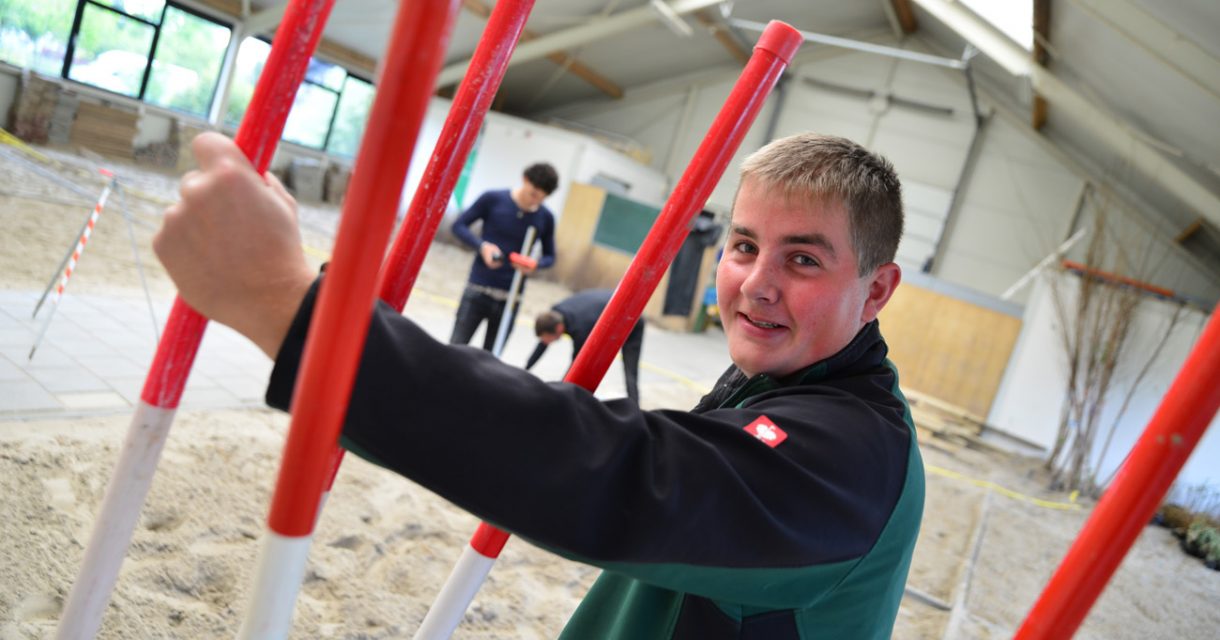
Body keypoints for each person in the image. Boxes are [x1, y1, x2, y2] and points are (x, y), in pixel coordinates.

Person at [154, 131, 923, 639]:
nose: (754, 283)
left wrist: (287, 307)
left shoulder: (852, 457)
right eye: (745, 245)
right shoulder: (786, 376)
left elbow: (623, 474)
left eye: (803, 259)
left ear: (878, 289)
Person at [448, 162, 558, 351]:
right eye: (533, 194)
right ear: (525, 179)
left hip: (511, 297)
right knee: (456, 349)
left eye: (541, 199)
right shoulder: (493, 199)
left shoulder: (545, 217)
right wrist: (482, 247)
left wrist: (534, 264)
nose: (535, 201)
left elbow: (550, 256)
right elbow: (459, 225)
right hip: (478, 290)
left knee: (491, 361)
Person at [526, 288, 644, 403]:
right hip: (609, 307)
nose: (546, 341)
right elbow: (542, 344)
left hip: (632, 316)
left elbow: (576, 366)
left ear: (558, 328)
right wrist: (526, 370)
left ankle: (635, 407)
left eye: (547, 338)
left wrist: (560, 392)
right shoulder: (555, 313)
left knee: (630, 369)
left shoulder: (580, 328)